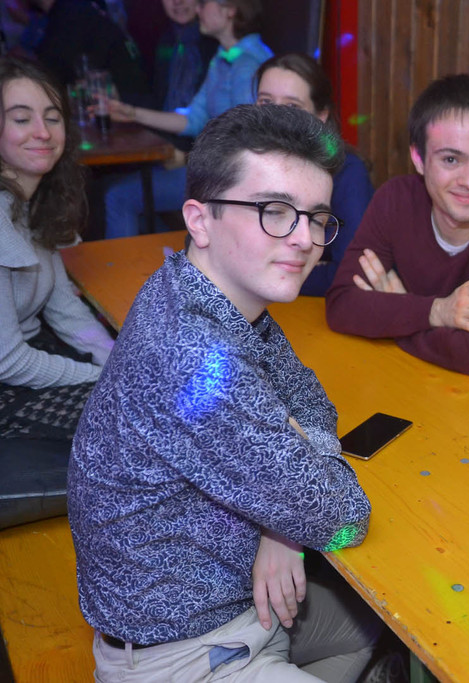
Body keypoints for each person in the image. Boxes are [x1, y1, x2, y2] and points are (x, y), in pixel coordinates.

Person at [67, 104, 382, 680]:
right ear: (200, 220)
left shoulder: (206, 292)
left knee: (372, 626)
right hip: (181, 655)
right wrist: (297, 507)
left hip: (235, 606)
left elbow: (315, 404)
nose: (304, 239)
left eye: (317, 217)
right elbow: (344, 515)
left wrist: (281, 524)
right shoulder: (195, 356)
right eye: (274, 211)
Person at [325, 74, 469, 380]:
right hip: (407, 374)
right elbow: (341, 306)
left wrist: (394, 315)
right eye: (451, 159)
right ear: (418, 158)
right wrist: (436, 311)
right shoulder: (396, 199)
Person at [0, 57, 114, 528]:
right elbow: (8, 361)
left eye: (52, 117)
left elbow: (65, 306)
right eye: (21, 118)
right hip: (7, 379)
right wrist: (100, 376)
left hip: (24, 360)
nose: (42, 132)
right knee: (135, 418)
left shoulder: (32, 203)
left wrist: (119, 363)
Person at [102, 0, 271, 238]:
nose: (198, 10)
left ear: (230, 9)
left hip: (231, 180)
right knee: (124, 195)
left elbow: (250, 140)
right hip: (217, 170)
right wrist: (133, 113)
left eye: (204, 4)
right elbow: (193, 119)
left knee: (118, 197)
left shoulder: (247, 63)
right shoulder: (225, 57)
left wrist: (192, 158)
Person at [255, 53, 374, 297]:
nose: (275, 116)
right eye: (266, 101)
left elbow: (350, 272)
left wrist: (257, 272)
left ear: (321, 116)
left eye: (292, 106)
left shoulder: (347, 173)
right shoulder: (247, 163)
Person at [27, 0, 152, 106]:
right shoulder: (73, 9)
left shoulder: (70, 13)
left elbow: (47, 74)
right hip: (127, 102)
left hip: (125, 107)